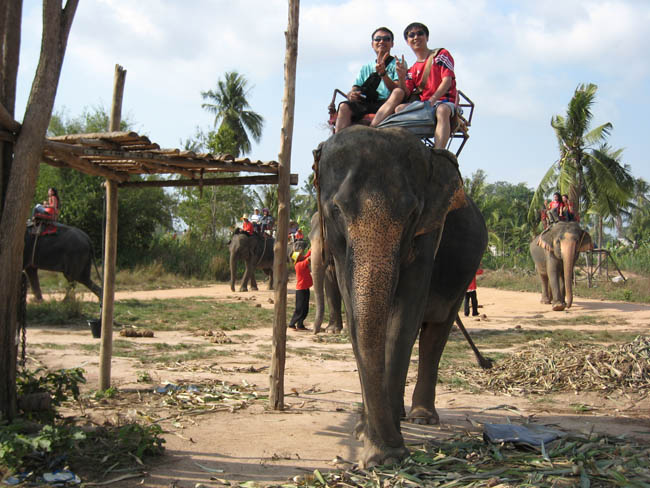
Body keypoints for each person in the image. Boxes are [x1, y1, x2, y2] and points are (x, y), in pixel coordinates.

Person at [395, 22, 457, 149]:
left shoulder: (441, 55)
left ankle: (439, 152)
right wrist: (401, 77)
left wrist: (432, 100)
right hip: (425, 105)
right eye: (411, 35)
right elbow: (406, 92)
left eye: (420, 33)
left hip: (444, 101)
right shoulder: (412, 70)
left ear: (427, 37)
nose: (416, 37)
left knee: (442, 110)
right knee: (399, 109)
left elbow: (447, 81)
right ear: (407, 41)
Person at [335, 27, 405, 132]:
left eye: (386, 39)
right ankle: (338, 142)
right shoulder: (366, 67)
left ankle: (372, 129)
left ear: (392, 44)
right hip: (365, 102)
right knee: (344, 106)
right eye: (378, 39)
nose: (382, 41)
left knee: (398, 92)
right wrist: (352, 94)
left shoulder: (398, 63)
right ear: (372, 44)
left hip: (385, 103)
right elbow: (355, 88)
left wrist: (383, 74)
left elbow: (396, 88)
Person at [288, 249, 312, 331]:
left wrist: (311, 249)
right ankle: (292, 324)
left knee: (305, 308)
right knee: (299, 308)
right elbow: (308, 259)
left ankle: (300, 324)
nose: (302, 256)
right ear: (298, 258)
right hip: (300, 290)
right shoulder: (299, 265)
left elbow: (306, 256)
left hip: (305, 289)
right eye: (300, 256)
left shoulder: (301, 260)